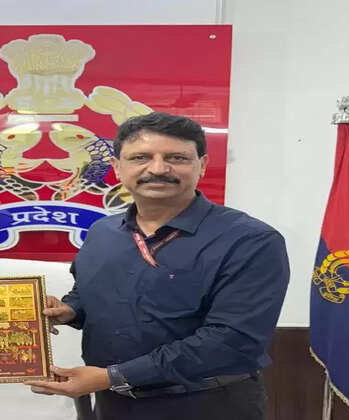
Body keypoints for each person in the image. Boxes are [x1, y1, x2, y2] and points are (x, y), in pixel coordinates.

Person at [25, 112, 289, 420]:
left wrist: (112, 376)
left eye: (177, 158)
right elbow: (88, 292)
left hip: (207, 404)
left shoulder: (250, 240)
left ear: (202, 165)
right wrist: (69, 310)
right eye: (141, 157)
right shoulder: (102, 233)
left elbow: (231, 341)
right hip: (113, 405)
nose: (158, 169)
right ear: (117, 167)